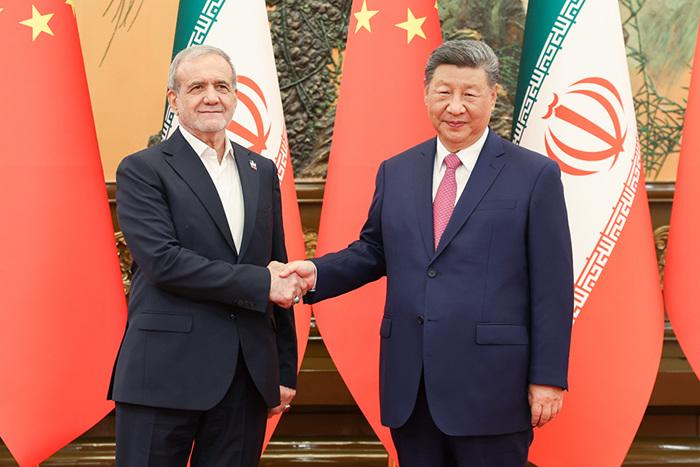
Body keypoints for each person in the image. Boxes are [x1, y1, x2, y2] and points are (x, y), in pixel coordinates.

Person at [282, 40, 574, 466]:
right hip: (412, 387)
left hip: (493, 389)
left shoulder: (534, 174)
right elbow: (374, 250)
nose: (455, 107)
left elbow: (552, 285)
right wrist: (315, 273)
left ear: (493, 96)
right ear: (425, 94)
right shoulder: (397, 171)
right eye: (443, 92)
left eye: (469, 94)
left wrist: (547, 378)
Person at [108, 45, 308, 466]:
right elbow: (164, 263)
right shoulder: (143, 169)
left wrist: (283, 369)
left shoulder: (261, 170)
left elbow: (278, 266)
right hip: (163, 375)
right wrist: (262, 282)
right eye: (197, 87)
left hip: (245, 377)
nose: (211, 97)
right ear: (174, 99)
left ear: (236, 95)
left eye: (222, 86)